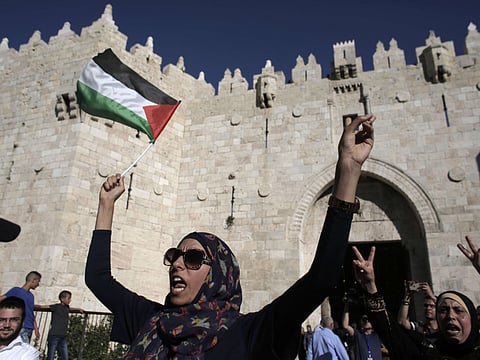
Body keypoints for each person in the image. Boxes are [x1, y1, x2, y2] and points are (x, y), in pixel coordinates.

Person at [85, 114, 376, 359]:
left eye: (194, 258)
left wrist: (348, 170)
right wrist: (106, 205)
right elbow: (97, 278)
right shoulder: (152, 320)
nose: (177, 264)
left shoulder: (246, 333)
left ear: (220, 276)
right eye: (174, 256)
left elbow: (321, 279)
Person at [352, 235, 480, 359]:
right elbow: (391, 331)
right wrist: (370, 285)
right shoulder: (426, 351)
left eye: (458, 310)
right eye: (443, 310)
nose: (450, 316)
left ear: (472, 318)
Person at [36, 290, 83, 360]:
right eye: (68, 298)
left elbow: (70, 308)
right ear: (62, 299)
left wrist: (78, 309)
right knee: (51, 356)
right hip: (54, 335)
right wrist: (34, 306)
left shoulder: (67, 308)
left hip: (63, 336)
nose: (70, 300)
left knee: (65, 356)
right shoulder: (56, 307)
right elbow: (45, 307)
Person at [0, 272, 41, 344]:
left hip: (29, 327)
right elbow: (2, 298)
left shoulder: (31, 296)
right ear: (33, 280)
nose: (38, 284)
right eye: (38, 281)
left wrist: (36, 329)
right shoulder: (16, 291)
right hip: (21, 326)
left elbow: (31, 312)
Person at [397, 280, 439, 346]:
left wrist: (432, 296)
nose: (428, 308)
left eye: (432, 306)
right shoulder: (420, 327)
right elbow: (402, 322)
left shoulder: (443, 328)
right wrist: (407, 297)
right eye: (426, 306)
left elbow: (446, 309)